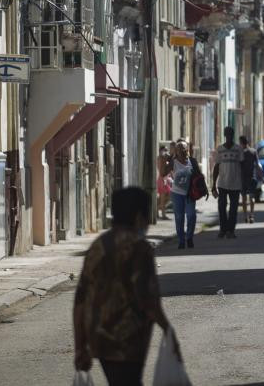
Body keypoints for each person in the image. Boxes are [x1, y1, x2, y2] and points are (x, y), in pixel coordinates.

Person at [73, 187, 177, 386]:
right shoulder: (139, 248)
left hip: (99, 338)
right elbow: (148, 299)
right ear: (139, 217)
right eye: (147, 216)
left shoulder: (97, 246)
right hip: (128, 339)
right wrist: (167, 330)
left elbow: (80, 301)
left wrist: (80, 347)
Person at [211, 127, 243, 238]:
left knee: (233, 209)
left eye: (230, 133)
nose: (228, 135)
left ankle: (231, 230)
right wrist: (213, 184)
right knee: (221, 207)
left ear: (233, 135)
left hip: (236, 183)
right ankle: (223, 229)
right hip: (222, 183)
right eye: (227, 134)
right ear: (225, 135)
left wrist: (243, 183)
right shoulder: (220, 149)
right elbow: (216, 166)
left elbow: (242, 165)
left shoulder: (238, 149)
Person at [168, 140, 199, 249]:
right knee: (179, 217)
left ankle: (189, 237)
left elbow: (199, 176)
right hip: (176, 194)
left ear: (187, 150)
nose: (181, 150)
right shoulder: (173, 162)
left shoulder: (192, 161)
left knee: (191, 216)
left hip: (190, 193)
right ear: (176, 150)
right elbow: (163, 173)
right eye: (179, 148)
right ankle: (181, 240)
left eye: (183, 148)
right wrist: (166, 159)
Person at [239, 135, 263, 224]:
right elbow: (258, 165)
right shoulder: (253, 151)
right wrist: (261, 177)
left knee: (244, 198)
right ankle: (251, 215)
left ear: (241, 143)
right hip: (252, 177)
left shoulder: (240, 153)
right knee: (252, 197)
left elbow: (238, 166)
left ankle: (245, 216)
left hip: (243, 178)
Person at [156, 146, 172, 219]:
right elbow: (162, 170)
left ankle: (157, 210)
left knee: (166, 197)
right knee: (162, 198)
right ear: (161, 150)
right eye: (165, 150)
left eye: (167, 150)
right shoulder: (161, 158)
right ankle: (163, 214)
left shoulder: (161, 158)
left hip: (163, 179)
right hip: (162, 179)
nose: (166, 151)